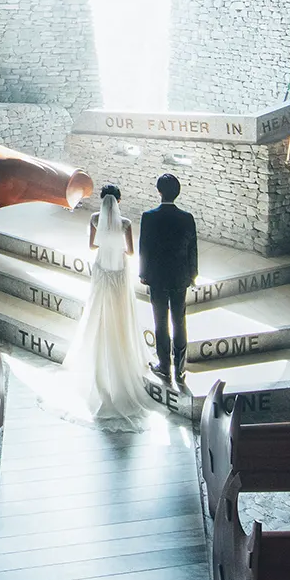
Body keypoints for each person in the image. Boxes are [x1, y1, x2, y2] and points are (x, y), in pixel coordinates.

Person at [65, 184, 147, 427]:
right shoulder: (125, 223)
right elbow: (131, 252)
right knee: (122, 311)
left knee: (97, 308)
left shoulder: (93, 219)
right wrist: (118, 245)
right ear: (118, 201)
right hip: (119, 269)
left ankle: (99, 342)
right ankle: (122, 344)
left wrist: (105, 240)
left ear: (102, 201)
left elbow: (92, 246)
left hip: (102, 268)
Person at [140, 174, 199, 387]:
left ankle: (164, 366)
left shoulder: (149, 217)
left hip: (157, 276)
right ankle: (180, 368)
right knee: (179, 321)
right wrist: (193, 274)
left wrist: (143, 274)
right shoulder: (187, 218)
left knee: (160, 322)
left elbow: (144, 249)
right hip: (180, 275)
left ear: (159, 191)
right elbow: (193, 249)